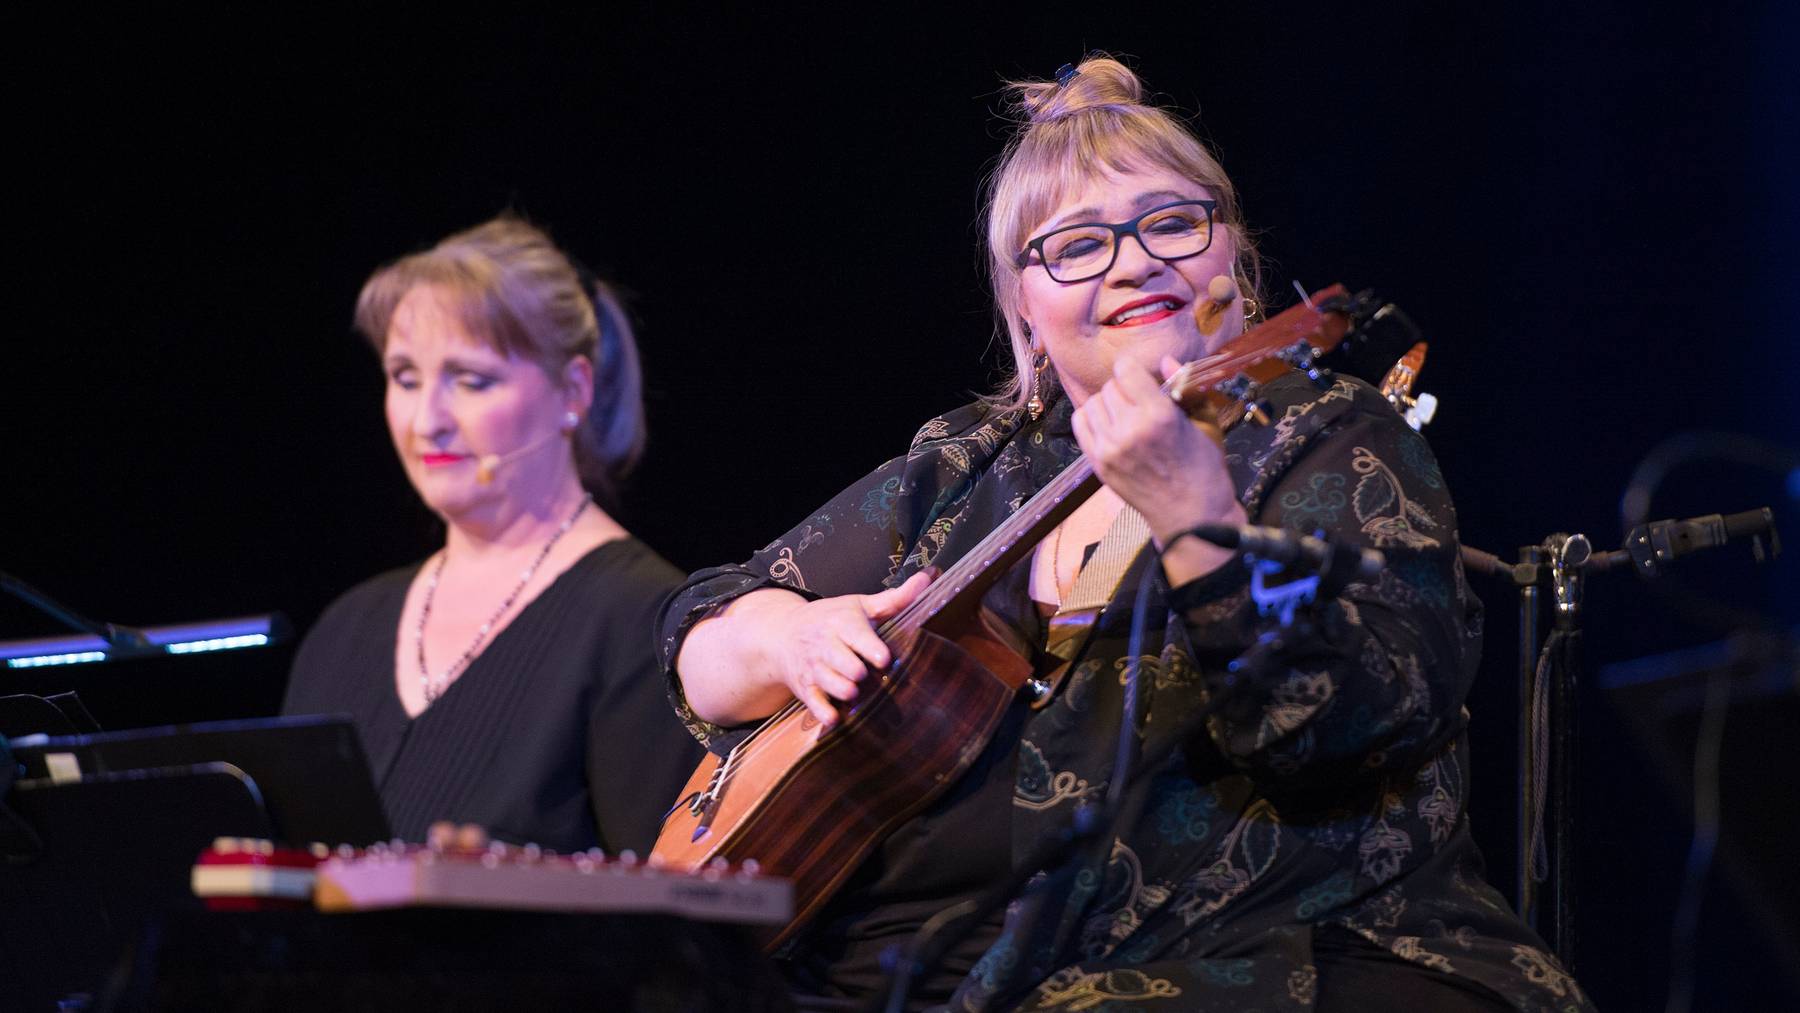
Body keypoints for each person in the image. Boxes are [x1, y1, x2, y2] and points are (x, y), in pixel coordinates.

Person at [658, 58, 1592, 1011]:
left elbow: (1342, 725)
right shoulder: (967, 466)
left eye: (1173, 223)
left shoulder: (1332, 437)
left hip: (1295, 955)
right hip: (972, 970)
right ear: (1024, 301)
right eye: (1075, 245)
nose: (1135, 262)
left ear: (1232, 255)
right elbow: (698, 626)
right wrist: (788, 634)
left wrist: (1193, 515)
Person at [284, 216, 702, 855]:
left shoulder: (644, 621)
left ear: (573, 390)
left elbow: (665, 928)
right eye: (405, 378)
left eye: (470, 380)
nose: (428, 421)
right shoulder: (344, 631)